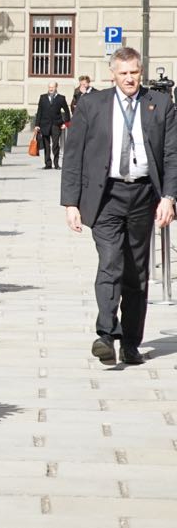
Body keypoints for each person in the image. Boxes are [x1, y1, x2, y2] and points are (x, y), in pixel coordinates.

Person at [61, 46, 177, 367]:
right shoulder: (92, 104)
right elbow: (74, 156)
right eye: (123, 73)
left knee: (136, 273)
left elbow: (171, 154)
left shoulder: (161, 104)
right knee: (110, 262)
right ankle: (105, 334)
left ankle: (130, 342)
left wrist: (168, 197)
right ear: (112, 74)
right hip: (106, 196)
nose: (129, 79)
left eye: (134, 72)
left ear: (142, 72)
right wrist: (71, 203)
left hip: (142, 196)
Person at [34, 81, 71, 170]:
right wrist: (37, 125)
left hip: (56, 125)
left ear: (56, 87)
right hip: (44, 125)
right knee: (46, 145)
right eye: (49, 87)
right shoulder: (43, 98)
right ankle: (48, 164)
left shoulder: (61, 98)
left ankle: (56, 164)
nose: (51, 89)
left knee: (55, 145)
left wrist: (66, 124)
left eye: (53, 87)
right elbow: (39, 112)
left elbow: (67, 111)